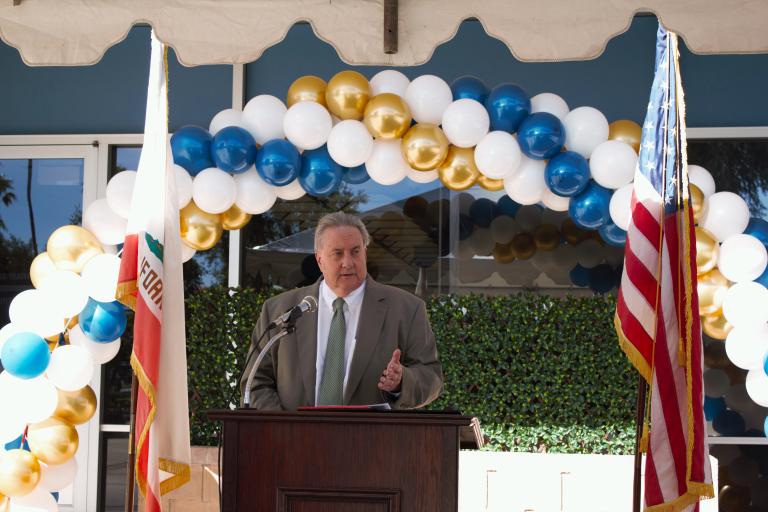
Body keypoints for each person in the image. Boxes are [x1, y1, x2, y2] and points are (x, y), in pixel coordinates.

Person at [240, 211, 443, 410]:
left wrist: (401, 382)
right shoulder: (280, 310)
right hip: (293, 441)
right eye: (337, 253)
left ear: (365, 253)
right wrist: (285, 431)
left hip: (372, 441)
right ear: (320, 260)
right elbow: (255, 383)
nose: (348, 262)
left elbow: (431, 378)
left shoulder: (407, 309)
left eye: (355, 251)